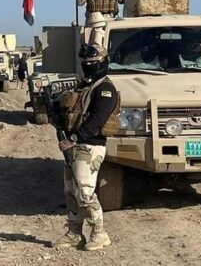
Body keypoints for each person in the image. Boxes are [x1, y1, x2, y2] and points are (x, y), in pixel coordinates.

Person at [52, 44, 118, 252]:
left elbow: (98, 119)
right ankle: (74, 233)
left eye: (93, 63)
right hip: (73, 145)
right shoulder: (84, 87)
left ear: (103, 63)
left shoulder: (105, 89)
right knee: (71, 191)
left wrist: (75, 137)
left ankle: (99, 233)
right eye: (85, 63)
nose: (88, 66)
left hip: (90, 146)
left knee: (85, 192)